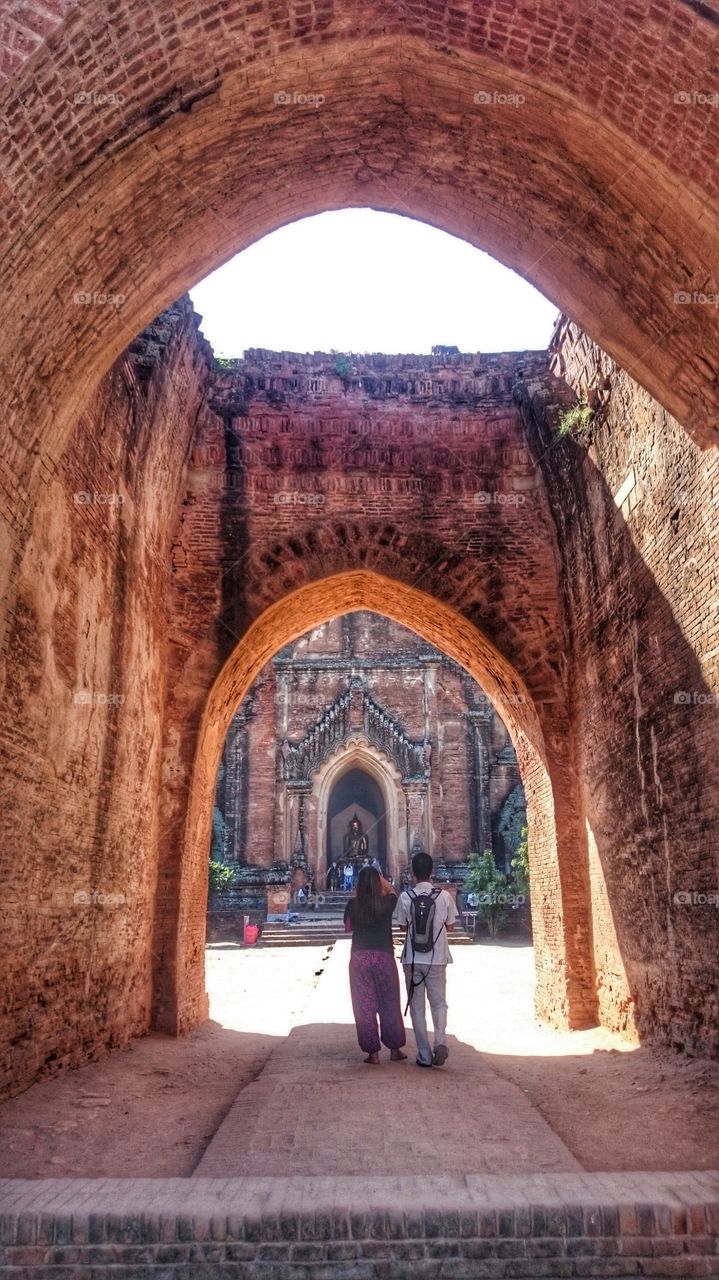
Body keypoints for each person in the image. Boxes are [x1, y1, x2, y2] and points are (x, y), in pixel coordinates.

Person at [395, 851, 457, 1068]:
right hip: (437, 957)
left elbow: (402, 927)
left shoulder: (405, 897)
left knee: (417, 1007)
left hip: (412, 959)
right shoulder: (444, 896)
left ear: (413, 873)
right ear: (432, 872)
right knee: (439, 1003)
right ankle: (440, 1041)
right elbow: (451, 926)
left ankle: (424, 1054)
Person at [343, 866, 407, 1065]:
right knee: (389, 1003)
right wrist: (383, 881)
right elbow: (392, 891)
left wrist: (358, 899)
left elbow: (348, 928)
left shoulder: (353, 904)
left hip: (360, 958)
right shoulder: (387, 902)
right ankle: (395, 1049)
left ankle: (373, 1053)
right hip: (384, 956)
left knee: (364, 1005)